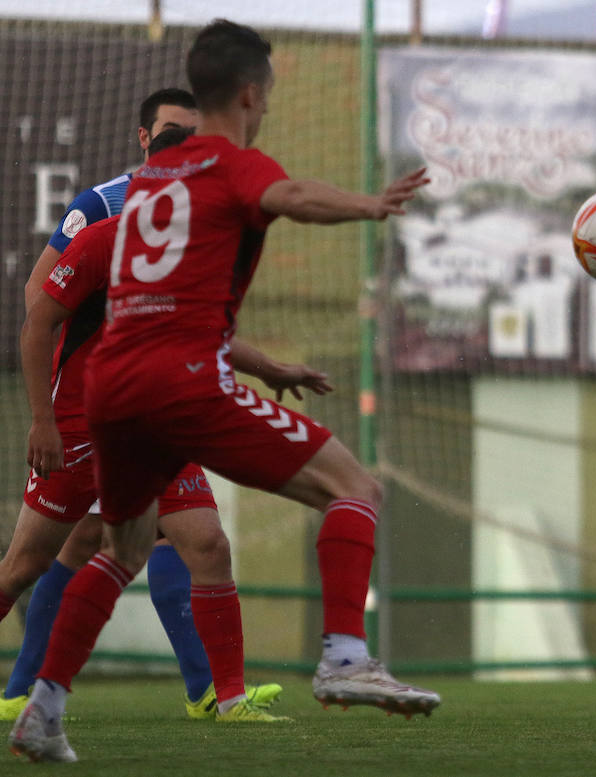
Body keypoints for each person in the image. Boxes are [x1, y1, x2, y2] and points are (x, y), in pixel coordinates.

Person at [8, 20, 438, 763]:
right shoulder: (229, 165)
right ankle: (344, 652)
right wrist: (370, 205)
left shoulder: (135, 192)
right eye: (267, 95)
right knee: (355, 486)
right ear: (249, 92)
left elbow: (139, 293)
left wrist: (267, 366)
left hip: (113, 390)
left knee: (123, 547)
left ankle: (44, 708)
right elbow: (293, 194)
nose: (265, 108)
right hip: (180, 384)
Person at [0, 91, 283, 722]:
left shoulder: (192, 241)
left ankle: (223, 698)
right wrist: (44, 419)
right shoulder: (100, 221)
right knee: (32, 562)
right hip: (81, 424)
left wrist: (272, 369)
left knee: (204, 543)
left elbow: (205, 327)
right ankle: (27, 688)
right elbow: (37, 315)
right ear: (147, 149)